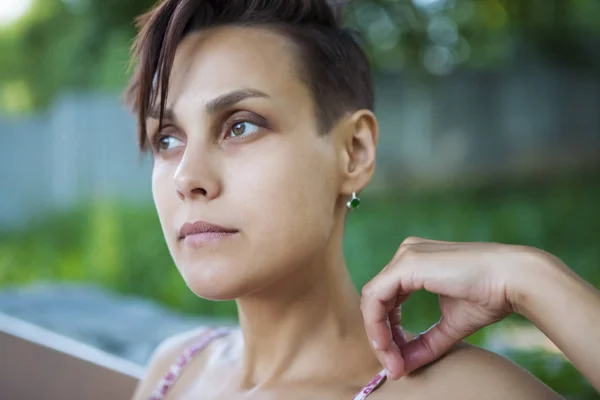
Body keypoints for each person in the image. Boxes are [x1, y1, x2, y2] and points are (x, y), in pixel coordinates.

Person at [124, 0, 598, 398]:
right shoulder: (176, 370)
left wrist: (531, 277)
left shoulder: (455, 391)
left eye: (241, 125)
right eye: (167, 138)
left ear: (354, 152)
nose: (188, 177)